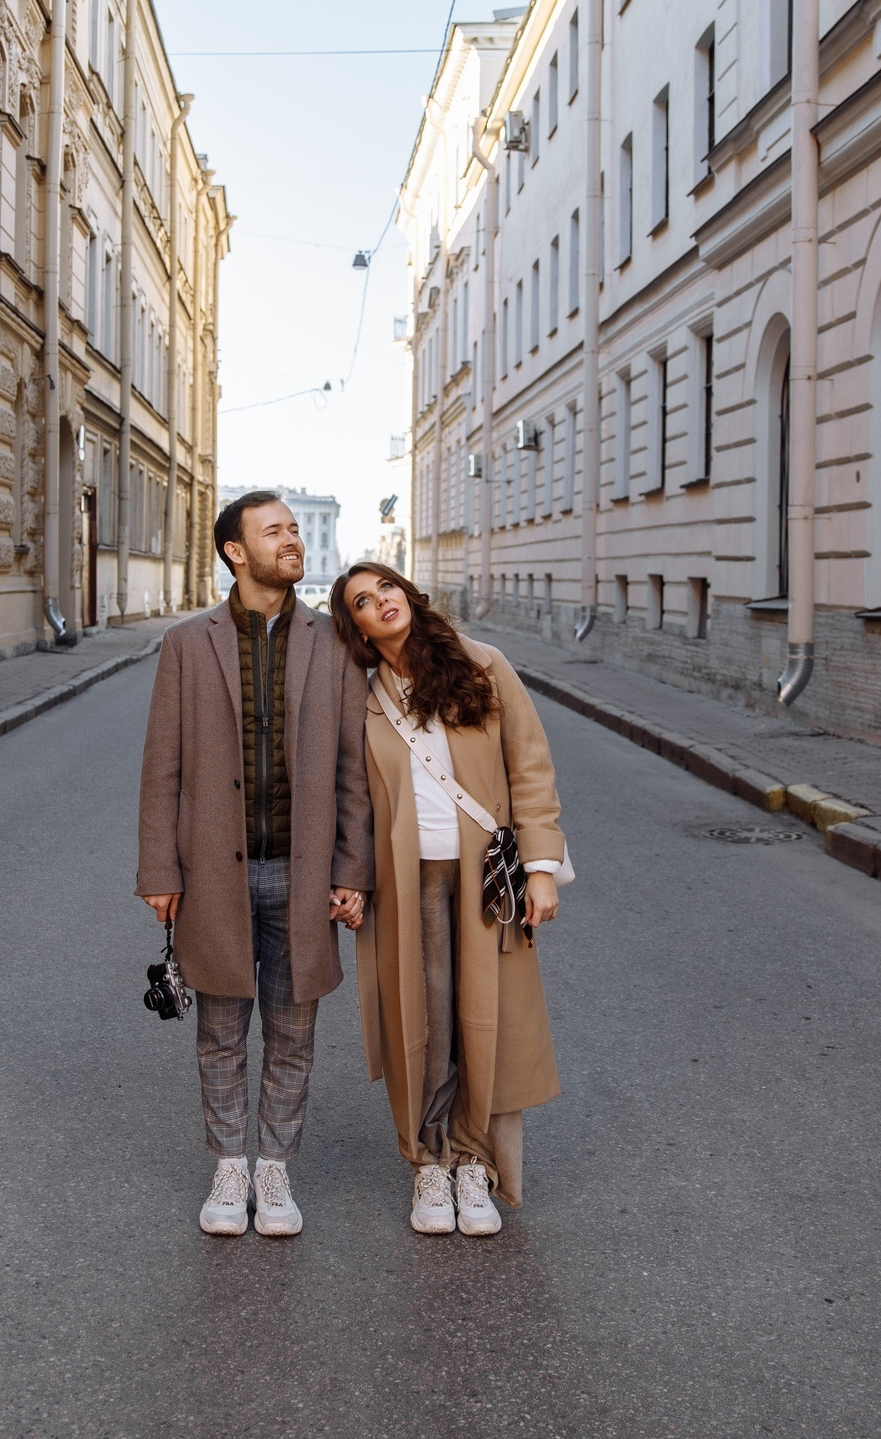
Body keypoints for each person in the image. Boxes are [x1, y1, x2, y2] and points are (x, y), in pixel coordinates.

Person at [136, 492, 374, 1238]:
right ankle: (228, 1164)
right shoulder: (187, 644)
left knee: (294, 1029)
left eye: (295, 529)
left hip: (302, 874)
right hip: (215, 872)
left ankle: (274, 1167)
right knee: (220, 1028)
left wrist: (351, 867)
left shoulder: (331, 643)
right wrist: (160, 871)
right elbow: (161, 769)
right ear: (236, 551)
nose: (292, 540)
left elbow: (352, 771)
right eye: (275, 531)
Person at [329, 561, 565, 1238]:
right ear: (360, 628)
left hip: (486, 876)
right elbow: (348, 794)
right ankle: (428, 1160)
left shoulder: (482, 663)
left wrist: (541, 867)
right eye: (365, 602)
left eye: (387, 588)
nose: (383, 602)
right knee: (422, 1020)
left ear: (408, 592)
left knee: (484, 1019)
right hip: (408, 880)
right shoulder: (365, 697)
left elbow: (530, 764)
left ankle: (476, 1162)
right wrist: (346, 876)